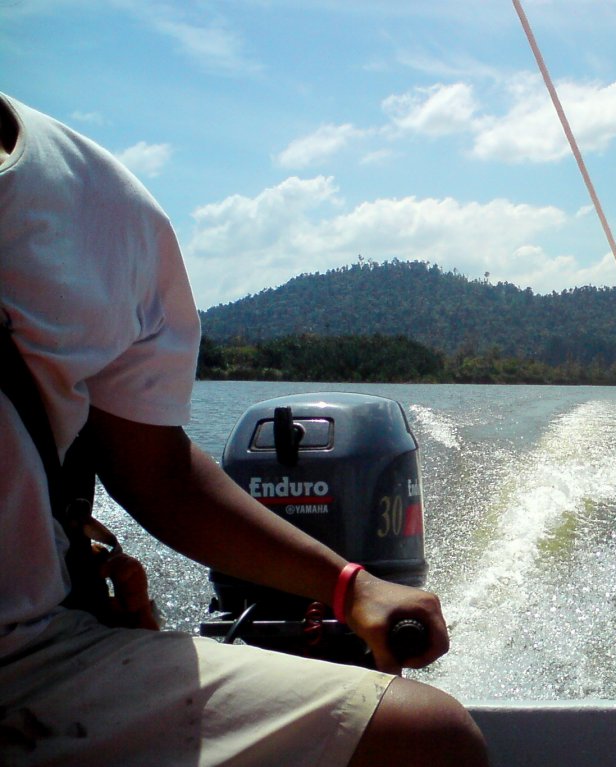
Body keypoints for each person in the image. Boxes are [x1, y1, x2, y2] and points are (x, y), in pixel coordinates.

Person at [0, 92, 488, 766]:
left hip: (27, 661)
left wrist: (350, 586)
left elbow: (161, 476)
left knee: (429, 739)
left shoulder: (104, 210)